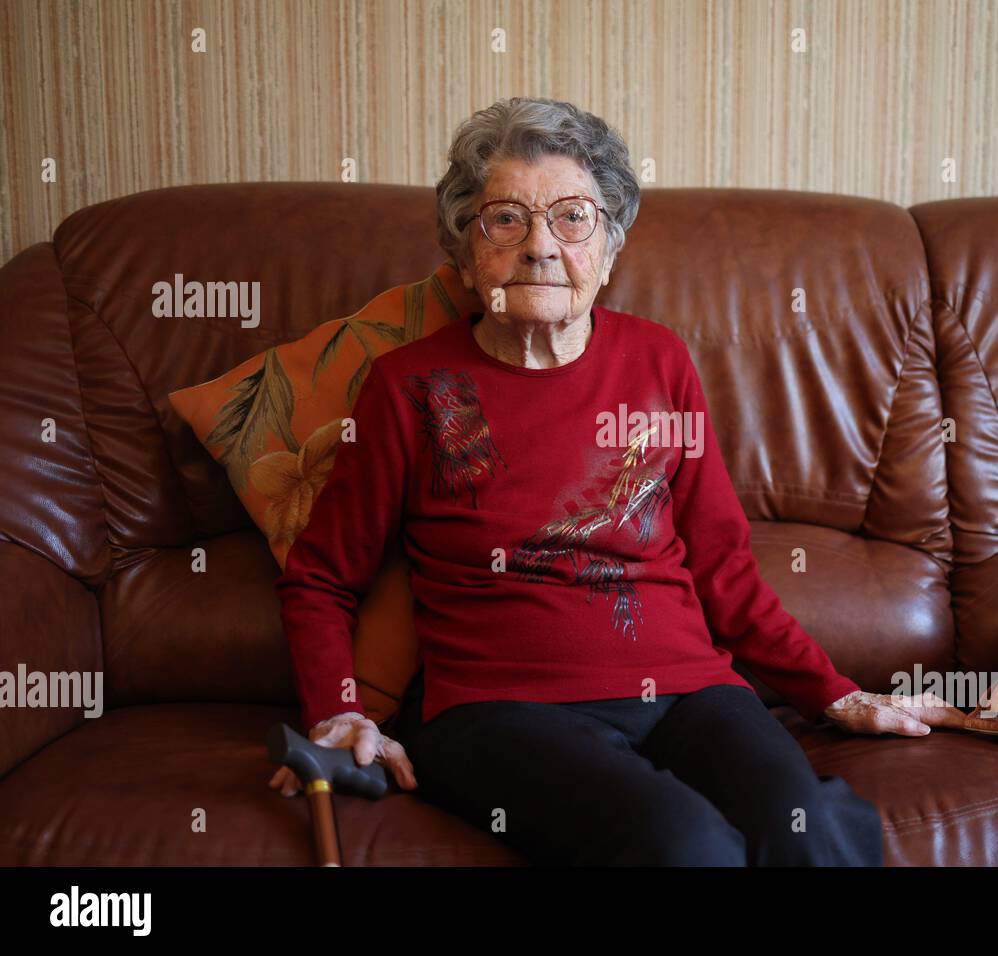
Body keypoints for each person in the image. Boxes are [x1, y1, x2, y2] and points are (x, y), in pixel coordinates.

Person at [269, 96, 963, 865]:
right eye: (506, 218)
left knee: (809, 827)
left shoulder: (659, 362)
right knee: (686, 846)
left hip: (692, 691)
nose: (540, 246)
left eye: (572, 217)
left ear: (609, 248)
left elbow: (724, 567)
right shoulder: (411, 387)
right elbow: (322, 577)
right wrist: (339, 711)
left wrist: (831, 692)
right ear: (466, 256)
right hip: (500, 710)